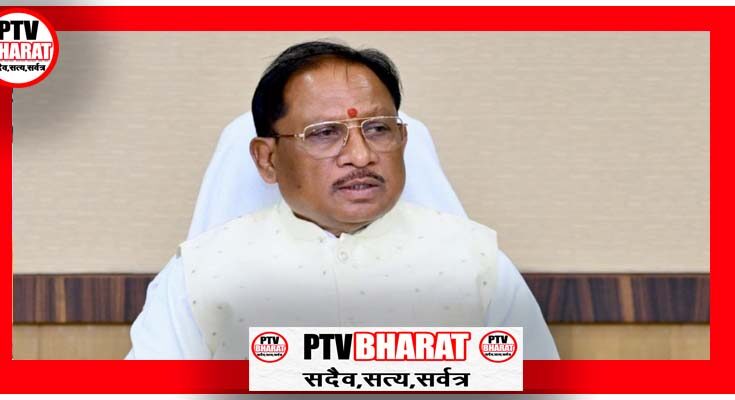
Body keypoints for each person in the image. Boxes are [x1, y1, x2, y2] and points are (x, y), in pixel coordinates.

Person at [127, 40, 559, 360]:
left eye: (378, 129)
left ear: (403, 140)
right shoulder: (200, 273)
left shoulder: (476, 261)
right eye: (324, 133)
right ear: (267, 159)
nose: (360, 156)